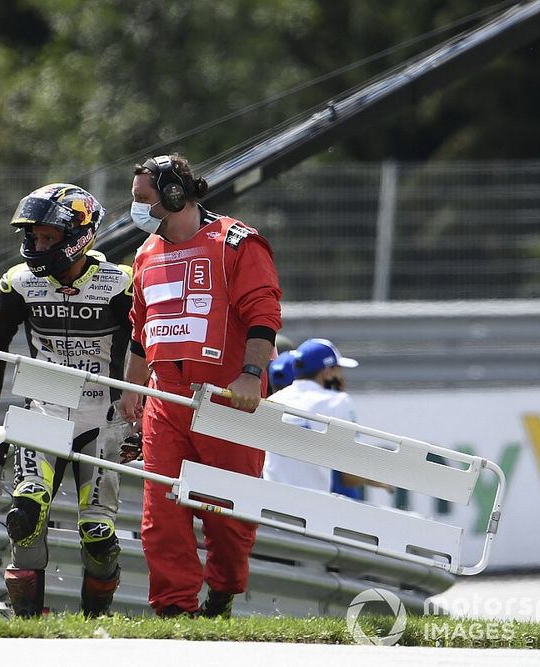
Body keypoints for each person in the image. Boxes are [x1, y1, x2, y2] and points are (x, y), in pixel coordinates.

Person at [118, 154, 283, 618]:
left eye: (142, 199)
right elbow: (139, 328)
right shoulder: (145, 254)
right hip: (166, 401)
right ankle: (173, 611)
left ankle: (223, 593)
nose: (136, 209)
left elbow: (263, 314)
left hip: (228, 402)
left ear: (174, 195)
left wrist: (251, 375)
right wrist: (133, 388)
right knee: (161, 517)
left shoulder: (236, 242)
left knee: (227, 516)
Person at [0, 183, 133, 618]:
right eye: (34, 236)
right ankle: (27, 626)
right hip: (41, 412)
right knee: (23, 519)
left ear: (80, 235)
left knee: (98, 535)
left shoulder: (121, 284)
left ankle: (95, 624)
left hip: (103, 417)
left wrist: (138, 420)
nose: (38, 245)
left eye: (49, 237)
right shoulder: (17, 281)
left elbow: (146, 354)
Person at [262, 338, 391, 499]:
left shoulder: (276, 399)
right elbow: (349, 475)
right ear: (328, 372)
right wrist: (385, 477)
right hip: (312, 508)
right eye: (338, 369)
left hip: (269, 504)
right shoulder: (338, 401)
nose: (341, 376)